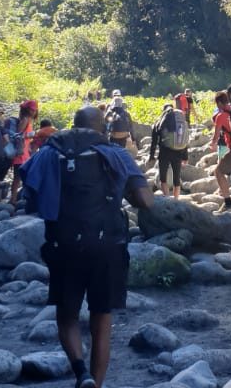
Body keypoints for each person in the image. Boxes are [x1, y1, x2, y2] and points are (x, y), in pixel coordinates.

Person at [21, 107, 154, 388]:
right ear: (101, 129)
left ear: (74, 125)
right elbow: (145, 200)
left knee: (67, 316)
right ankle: (97, 384)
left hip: (64, 245)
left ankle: (82, 373)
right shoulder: (114, 153)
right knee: (101, 322)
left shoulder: (49, 151)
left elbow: (28, 194)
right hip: (107, 245)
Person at [148, 103, 189, 199]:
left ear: (163, 111)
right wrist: (185, 157)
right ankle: (176, 200)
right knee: (176, 178)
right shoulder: (180, 122)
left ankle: (167, 198)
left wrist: (151, 156)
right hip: (178, 151)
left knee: (163, 178)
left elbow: (154, 141)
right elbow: (184, 139)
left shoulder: (160, 120)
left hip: (164, 152)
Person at [10, 100, 39, 207]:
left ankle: (17, 198)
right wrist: (30, 135)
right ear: (27, 109)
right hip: (20, 153)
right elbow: (17, 136)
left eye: (35, 110)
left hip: (25, 152)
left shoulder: (29, 120)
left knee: (20, 177)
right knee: (18, 177)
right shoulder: (25, 120)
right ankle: (14, 199)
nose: (34, 111)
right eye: (32, 109)